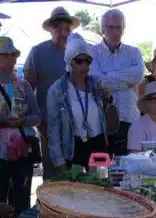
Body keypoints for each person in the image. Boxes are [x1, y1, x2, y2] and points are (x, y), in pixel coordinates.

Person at [0, 36, 41, 214]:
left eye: (12, 55)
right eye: (4, 55)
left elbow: (37, 116)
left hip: (22, 153)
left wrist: (23, 121)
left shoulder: (24, 85)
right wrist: (2, 121)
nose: (10, 59)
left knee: (21, 201)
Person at [25, 6, 79, 179]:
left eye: (67, 29)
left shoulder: (80, 53)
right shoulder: (37, 52)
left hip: (77, 125)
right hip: (49, 124)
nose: (63, 33)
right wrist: (38, 123)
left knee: (77, 174)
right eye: (58, 28)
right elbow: (26, 90)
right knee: (52, 177)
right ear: (50, 30)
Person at [46, 35, 111, 170]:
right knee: (76, 190)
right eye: (79, 61)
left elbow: (108, 113)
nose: (85, 65)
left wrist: (108, 99)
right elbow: (53, 128)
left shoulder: (97, 84)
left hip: (98, 146)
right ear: (69, 61)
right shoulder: (56, 90)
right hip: (72, 149)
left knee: (99, 188)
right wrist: (59, 161)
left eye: (88, 60)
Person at [89, 9, 143, 156]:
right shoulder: (91, 52)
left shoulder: (134, 52)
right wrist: (126, 83)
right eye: (111, 27)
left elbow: (138, 76)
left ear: (124, 29)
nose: (115, 31)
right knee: (102, 169)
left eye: (119, 27)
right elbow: (96, 82)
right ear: (103, 28)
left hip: (129, 118)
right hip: (100, 120)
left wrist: (108, 76)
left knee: (129, 166)